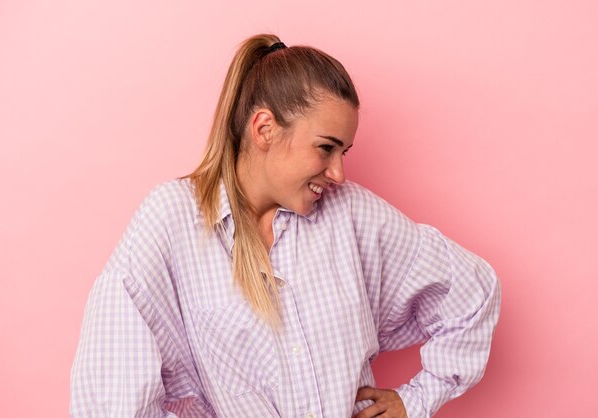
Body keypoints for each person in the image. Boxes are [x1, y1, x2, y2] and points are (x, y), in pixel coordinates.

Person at [70, 34, 501, 418]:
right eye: (326, 148)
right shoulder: (172, 220)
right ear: (264, 129)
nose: (338, 173)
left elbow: (474, 291)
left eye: (345, 152)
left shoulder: (351, 215)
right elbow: (110, 388)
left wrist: (415, 400)